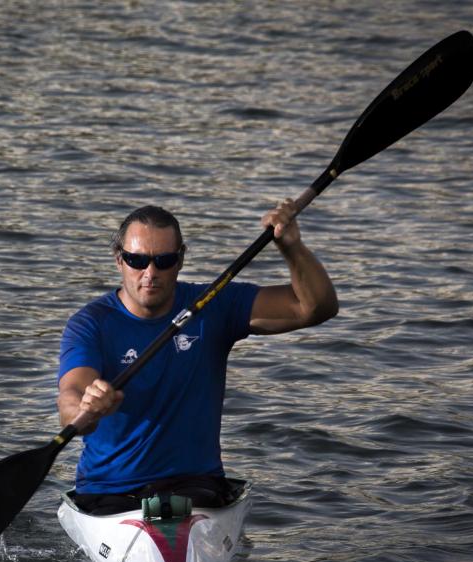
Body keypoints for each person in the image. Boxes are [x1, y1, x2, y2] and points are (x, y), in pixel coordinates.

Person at [56, 199, 338, 513]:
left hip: (193, 487)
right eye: (137, 260)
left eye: (164, 260)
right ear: (119, 260)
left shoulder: (213, 304)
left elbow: (316, 308)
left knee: (182, 514)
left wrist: (292, 248)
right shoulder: (90, 324)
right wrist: (85, 409)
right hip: (108, 492)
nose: (150, 273)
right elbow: (71, 399)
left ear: (180, 259)